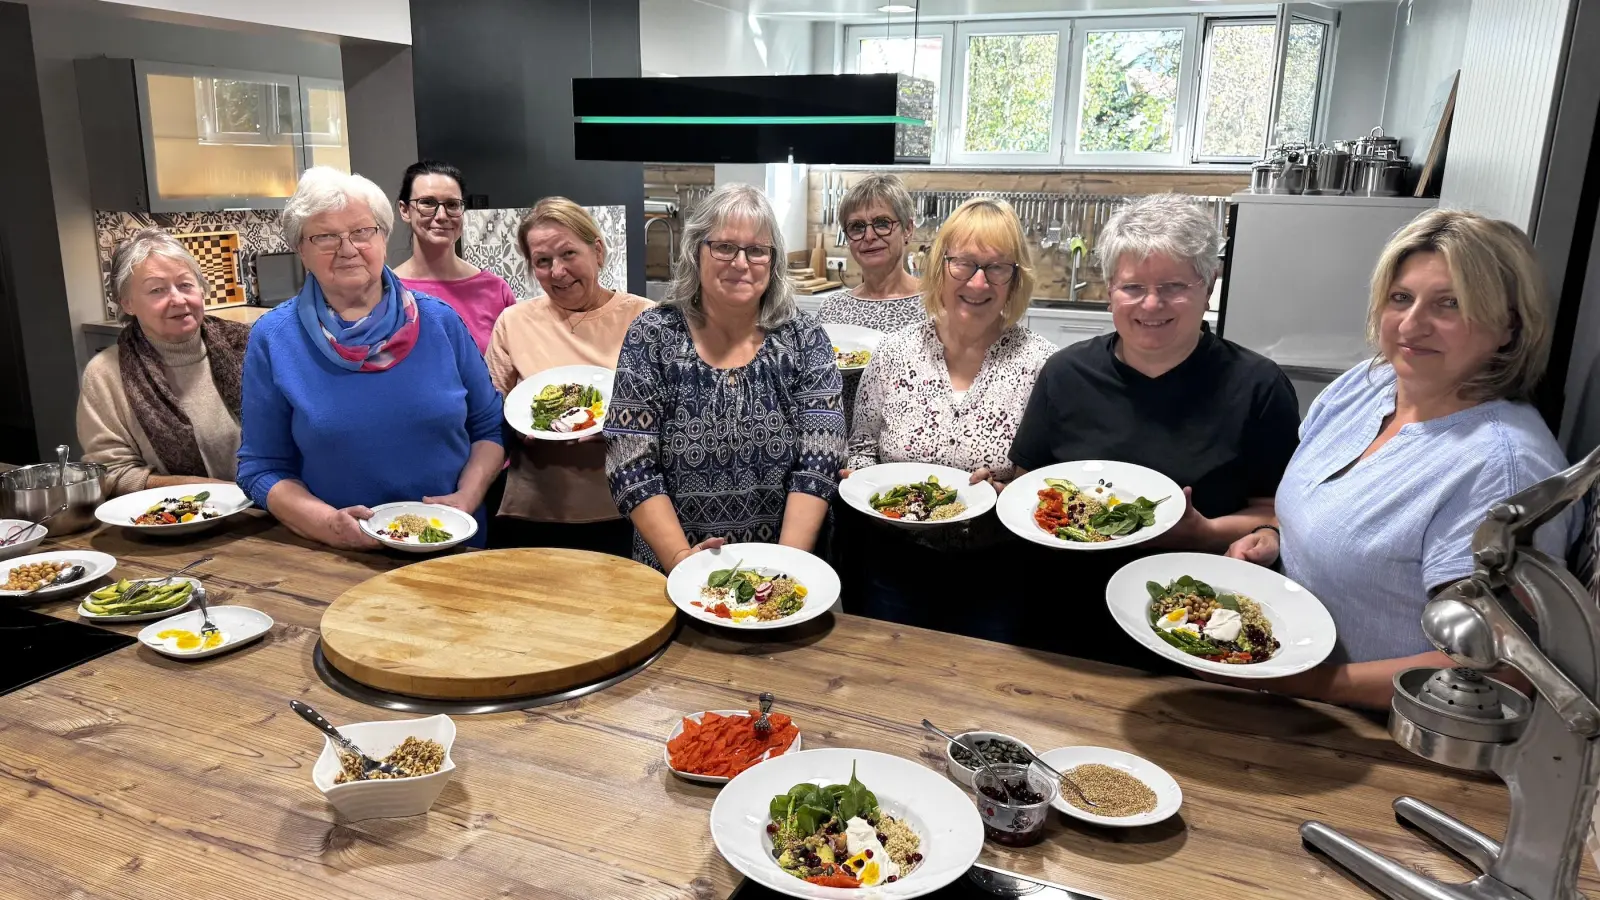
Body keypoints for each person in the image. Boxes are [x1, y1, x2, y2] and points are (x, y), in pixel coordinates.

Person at [1224, 209, 1573, 709]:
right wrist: (1274, 538)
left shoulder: (1500, 468)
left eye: (1450, 304)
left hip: (1374, 733)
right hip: (1282, 681)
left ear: (1508, 327)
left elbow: (1498, 666)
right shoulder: (1366, 385)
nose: (1412, 325)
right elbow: (1330, 508)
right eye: (1401, 298)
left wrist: (1304, 684)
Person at [1007, 193, 1300, 667]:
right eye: (1132, 287)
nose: (1151, 303)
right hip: (1060, 621)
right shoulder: (1064, 374)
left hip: (1193, 630)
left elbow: (1276, 513)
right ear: (1109, 292)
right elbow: (1029, 484)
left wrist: (1202, 531)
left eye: (1173, 286)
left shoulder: (1258, 386)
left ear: (1209, 286)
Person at [236, 167, 504, 550]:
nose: (347, 249)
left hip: (452, 547)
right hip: (338, 557)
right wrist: (330, 525)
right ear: (301, 249)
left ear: (383, 235)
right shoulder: (274, 338)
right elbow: (261, 467)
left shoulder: (440, 320)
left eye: (362, 232)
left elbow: (489, 427)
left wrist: (467, 499)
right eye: (325, 236)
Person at [843, 198, 1056, 640]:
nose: (978, 282)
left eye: (997, 268)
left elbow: (1050, 481)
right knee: (887, 684)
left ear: (1015, 280)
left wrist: (1014, 492)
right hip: (892, 563)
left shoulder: (1043, 367)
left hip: (996, 570)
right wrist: (863, 486)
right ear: (940, 267)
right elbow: (861, 446)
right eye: (963, 264)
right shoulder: (894, 353)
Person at [606, 183, 846, 572]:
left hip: (790, 567)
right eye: (724, 247)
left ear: (774, 261)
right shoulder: (653, 336)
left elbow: (819, 460)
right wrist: (682, 561)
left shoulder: (805, 338)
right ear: (695, 251)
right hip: (672, 572)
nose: (741, 263)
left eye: (756, 250)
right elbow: (630, 462)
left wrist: (783, 570)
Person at [485, 197, 652, 556]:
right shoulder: (513, 323)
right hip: (532, 511)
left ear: (597, 250)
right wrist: (516, 428)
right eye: (543, 261)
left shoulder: (646, 319)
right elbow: (489, 415)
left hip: (629, 508)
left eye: (568, 254)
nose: (557, 271)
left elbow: (675, 414)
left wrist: (621, 429)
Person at [77, 229, 252, 496]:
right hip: (171, 523)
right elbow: (111, 473)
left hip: (274, 512)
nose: (178, 300)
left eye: (185, 285)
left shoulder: (249, 346)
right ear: (127, 303)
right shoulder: (106, 374)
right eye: (157, 290)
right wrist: (211, 491)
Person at [816, 174, 926, 428]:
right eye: (857, 227)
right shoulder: (832, 309)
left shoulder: (936, 305)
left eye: (882, 223)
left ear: (908, 229)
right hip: (840, 448)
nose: (869, 236)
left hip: (908, 454)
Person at [393, 160, 517, 353]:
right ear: (405, 210)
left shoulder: (495, 290)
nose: (442, 215)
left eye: (452, 204)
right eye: (427, 202)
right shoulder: (387, 291)